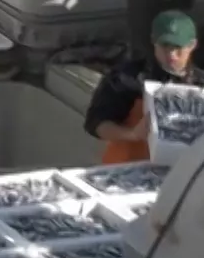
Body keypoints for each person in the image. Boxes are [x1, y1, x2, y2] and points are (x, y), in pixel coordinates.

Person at [86, 10, 204, 165]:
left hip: (183, 173)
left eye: (178, 47)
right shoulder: (126, 78)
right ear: (153, 41)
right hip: (128, 169)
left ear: (192, 45)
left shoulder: (201, 83)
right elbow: (95, 123)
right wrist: (132, 134)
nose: (172, 55)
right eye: (165, 46)